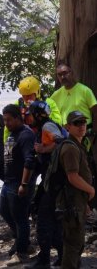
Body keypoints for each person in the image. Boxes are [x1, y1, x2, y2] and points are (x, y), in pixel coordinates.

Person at [51, 63, 97, 220]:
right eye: (60, 75)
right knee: (67, 172)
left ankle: (89, 207)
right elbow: (48, 111)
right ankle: (76, 207)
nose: (63, 77)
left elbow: (95, 111)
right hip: (65, 138)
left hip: (84, 136)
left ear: (72, 72)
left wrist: (93, 133)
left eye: (65, 73)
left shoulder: (84, 90)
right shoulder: (57, 95)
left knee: (85, 171)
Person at [25, 101, 65, 269]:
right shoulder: (44, 128)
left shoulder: (48, 126)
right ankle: (61, 257)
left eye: (31, 114)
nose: (29, 118)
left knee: (44, 219)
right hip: (52, 180)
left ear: (38, 115)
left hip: (54, 181)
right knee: (51, 219)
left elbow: (61, 142)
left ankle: (45, 260)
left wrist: (42, 149)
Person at [57, 111, 95, 268]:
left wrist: (85, 201)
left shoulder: (77, 145)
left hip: (77, 200)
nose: (81, 126)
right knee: (73, 245)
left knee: (77, 243)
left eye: (83, 123)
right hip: (71, 203)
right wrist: (91, 190)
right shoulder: (70, 148)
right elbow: (72, 177)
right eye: (77, 123)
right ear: (68, 127)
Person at [0, 104, 36, 266]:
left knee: (20, 218)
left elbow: (30, 160)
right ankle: (23, 242)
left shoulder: (26, 135)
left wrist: (24, 184)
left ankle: (22, 253)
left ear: (17, 118)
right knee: (4, 211)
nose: (6, 123)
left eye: (8, 120)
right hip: (8, 182)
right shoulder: (12, 134)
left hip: (19, 183)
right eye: (4, 120)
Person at [3, 76, 62, 142]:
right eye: (23, 96)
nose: (26, 99)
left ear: (36, 93)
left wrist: (41, 116)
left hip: (44, 138)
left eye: (29, 95)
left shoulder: (48, 103)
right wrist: (7, 144)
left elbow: (58, 122)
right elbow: (8, 127)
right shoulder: (18, 105)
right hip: (25, 140)